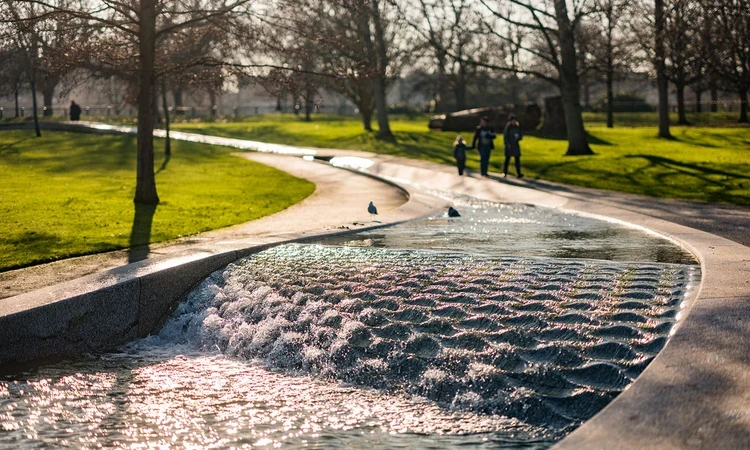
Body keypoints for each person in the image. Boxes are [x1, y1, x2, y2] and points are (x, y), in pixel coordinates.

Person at [503, 113, 523, 178]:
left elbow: (521, 135)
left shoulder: (517, 127)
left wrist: (519, 137)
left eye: (514, 120)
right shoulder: (508, 128)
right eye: (512, 120)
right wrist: (507, 143)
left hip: (515, 145)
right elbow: (505, 136)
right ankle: (505, 172)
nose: (514, 122)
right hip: (509, 145)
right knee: (507, 160)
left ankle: (518, 173)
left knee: (517, 160)